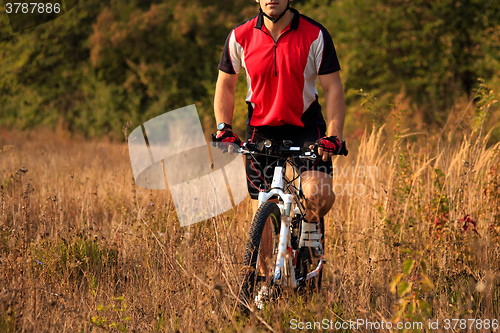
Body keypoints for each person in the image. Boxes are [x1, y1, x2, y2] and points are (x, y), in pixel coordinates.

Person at [213, 0, 347, 253]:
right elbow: (225, 86)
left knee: (319, 195)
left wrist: (334, 136)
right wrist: (224, 129)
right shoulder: (239, 36)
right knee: (261, 212)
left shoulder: (315, 33)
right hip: (260, 128)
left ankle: (308, 230)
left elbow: (333, 87)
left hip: (307, 127)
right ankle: (262, 286)